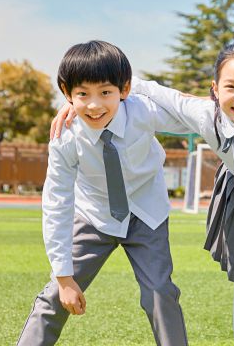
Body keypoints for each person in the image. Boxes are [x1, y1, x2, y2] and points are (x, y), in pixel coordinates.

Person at [52, 42, 234, 346]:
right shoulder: (205, 115)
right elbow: (149, 89)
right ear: (215, 90)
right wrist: (83, 101)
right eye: (230, 86)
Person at [18, 40, 188, 346]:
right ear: (66, 93)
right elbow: (56, 204)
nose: (95, 105)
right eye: (82, 94)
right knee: (55, 296)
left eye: (105, 92)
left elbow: (187, 111)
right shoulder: (65, 138)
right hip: (94, 216)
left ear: (124, 89)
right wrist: (64, 277)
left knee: (160, 293)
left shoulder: (143, 111)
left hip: (146, 212)